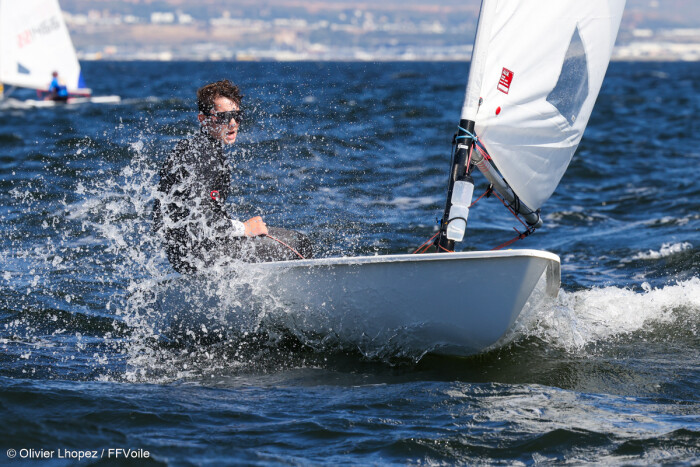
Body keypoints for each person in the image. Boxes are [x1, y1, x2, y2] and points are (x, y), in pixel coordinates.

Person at [153, 79, 312, 273]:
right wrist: (244, 229)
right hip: (200, 255)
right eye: (223, 117)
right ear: (202, 119)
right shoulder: (202, 155)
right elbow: (197, 218)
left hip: (186, 254)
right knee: (299, 243)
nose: (232, 123)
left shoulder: (197, 149)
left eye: (237, 116)